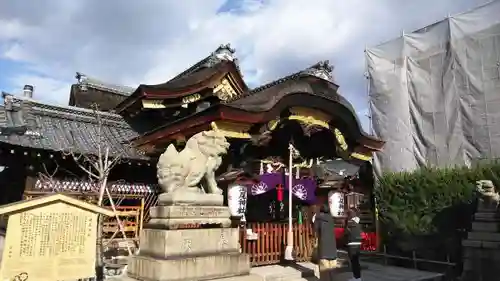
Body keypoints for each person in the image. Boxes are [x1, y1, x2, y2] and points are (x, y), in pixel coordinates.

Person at [314, 203, 338, 280]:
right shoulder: (331, 219)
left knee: (324, 271)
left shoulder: (318, 218)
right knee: (332, 270)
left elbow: (315, 230)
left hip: (323, 248)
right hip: (332, 248)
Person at [344, 208, 363, 281]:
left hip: (351, 243)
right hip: (358, 243)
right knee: (356, 261)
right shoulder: (358, 222)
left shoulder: (349, 223)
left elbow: (346, 233)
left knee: (353, 262)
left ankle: (356, 277)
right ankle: (357, 277)